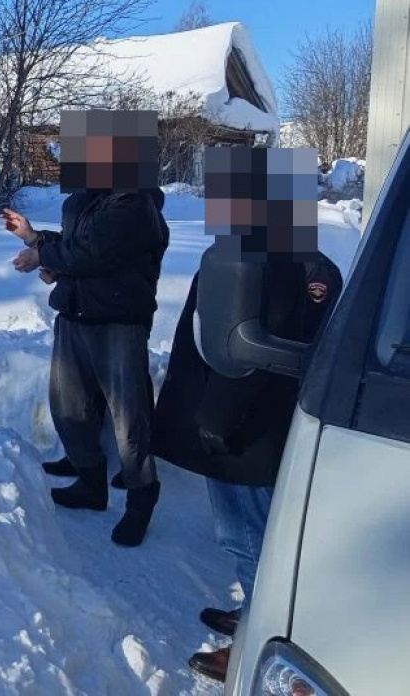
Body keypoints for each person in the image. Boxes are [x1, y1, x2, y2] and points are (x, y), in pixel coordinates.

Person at [151, 146, 342, 683]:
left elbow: (254, 352)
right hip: (254, 424)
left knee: (249, 538)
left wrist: (216, 419)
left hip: (245, 432)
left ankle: (259, 637)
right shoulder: (292, 257)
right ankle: (256, 610)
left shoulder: (273, 261)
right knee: (258, 534)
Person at [2, 109, 170, 547]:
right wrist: (35, 240)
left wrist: (47, 258)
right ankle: (90, 483)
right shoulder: (90, 199)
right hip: (76, 315)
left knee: (129, 421)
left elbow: (94, 253)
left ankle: (141, 498)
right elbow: (77, 245)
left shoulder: (134, 204)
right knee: (69, 407)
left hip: (118, 323)